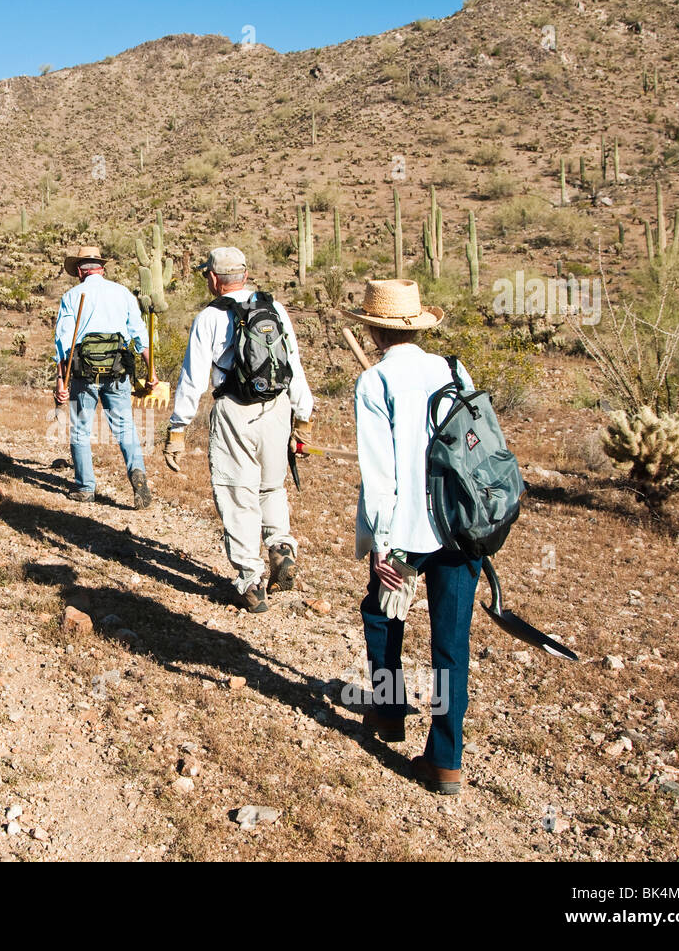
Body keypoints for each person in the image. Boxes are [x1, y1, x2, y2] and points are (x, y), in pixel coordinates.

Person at [340, 278, 480, 796]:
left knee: (382, 614)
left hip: (406, 528)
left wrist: (380, 541)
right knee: (450, 642)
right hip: (460, 523)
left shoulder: (374, 382)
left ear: (374, 329)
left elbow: (379, 473)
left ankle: (390, 708)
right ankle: (445, 759)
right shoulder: (452, 369)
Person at [163, 247, 314, 613]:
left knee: (236, 492)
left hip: (234, 411)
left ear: (214, 278)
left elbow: (193, 379)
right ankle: (280, 547)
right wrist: (303, 417)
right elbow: (292, 364)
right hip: (277, 409)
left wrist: (177, 429)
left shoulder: (210, 317)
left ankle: (250, 579)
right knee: (271, 485)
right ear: (245, 275)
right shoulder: (274, 308)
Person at [53, 244, 152, 509]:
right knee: (125, 427)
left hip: (83, 375)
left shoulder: (73, 296)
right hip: (117, 372)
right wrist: (150, 371)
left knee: (80, 430)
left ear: (79, 272)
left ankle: (86, 487)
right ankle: (137, 473)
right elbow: (140, 337)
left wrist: (61, 381)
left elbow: (63, 343)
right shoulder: (122, 294)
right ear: (102, 269)